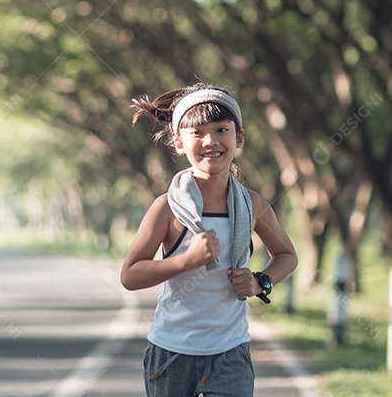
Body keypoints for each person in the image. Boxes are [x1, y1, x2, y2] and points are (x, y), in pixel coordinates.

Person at [121, 83, 298, 397]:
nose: (210, 141)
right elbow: (130, 274)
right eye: (197, 133)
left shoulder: (252, 205)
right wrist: (186, 261)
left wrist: (260, 282)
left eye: (221, 130)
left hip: (230, 352)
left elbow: (286, 254)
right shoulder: (167, 207)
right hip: (172, 352)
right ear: (178, 143)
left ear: (238, 138)